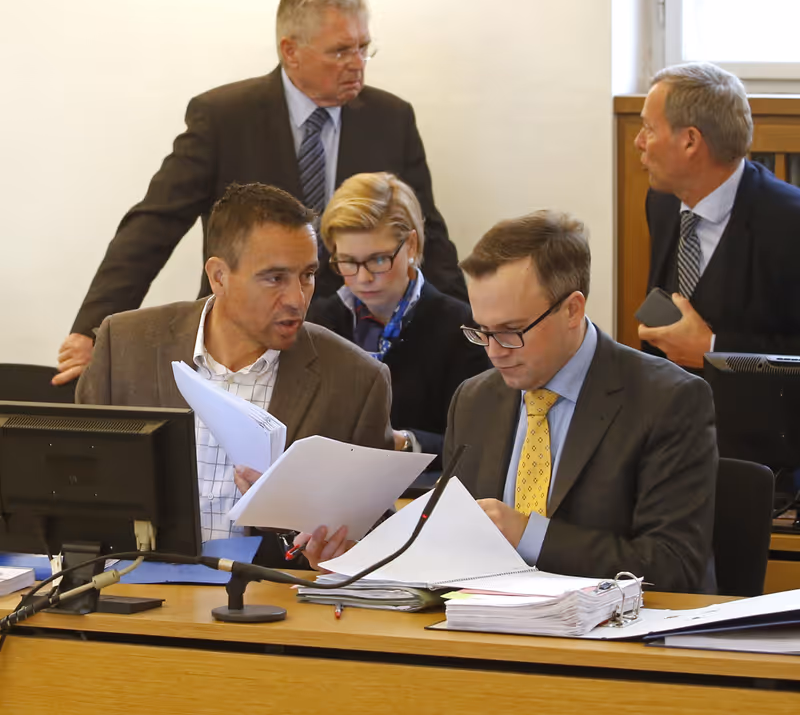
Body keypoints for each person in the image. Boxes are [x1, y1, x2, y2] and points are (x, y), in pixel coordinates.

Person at [56, 0, 465, 386]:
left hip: (354, 337)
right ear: (291, 51)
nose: (357, 63)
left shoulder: (391, 118)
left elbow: (428, 232)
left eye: (363, 47)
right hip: (241, 337)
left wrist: (471, 328)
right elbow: (153, 226)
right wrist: (93, 330)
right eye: (341, 51)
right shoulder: (224, 118)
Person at [304, 211, 719, 592]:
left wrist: (527, 535)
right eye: (482, 331)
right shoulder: (475, 398)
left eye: (511, 330)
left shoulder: (667, 399)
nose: (494, 351)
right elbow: (451, 543)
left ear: (572, 310)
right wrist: (358, 558)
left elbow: (673, 566)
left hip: (615, 634)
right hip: (485, 627)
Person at [76, 183, 393, 567]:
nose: (297, 298)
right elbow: (76, 486)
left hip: (273, 599)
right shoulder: (125, 345)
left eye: (307, 275)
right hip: (134, 590)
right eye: (274, 278)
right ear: (219, 276)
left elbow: (376, 536)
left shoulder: (356, 380)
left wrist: (340, 553)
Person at [306, 172, 490, 486]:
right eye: (347, 262)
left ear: (411, 245)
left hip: (421, 497)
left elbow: (478, 444)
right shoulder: (318, 322)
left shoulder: (463, 328)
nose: (363, 278)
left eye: (378, 260)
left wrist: (403, 442)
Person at [635, 62, 800, 370]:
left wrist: (714, 351)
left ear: (690, 141)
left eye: (649, 129)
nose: (639, 142)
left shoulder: (790, 223)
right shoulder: (661, 202)